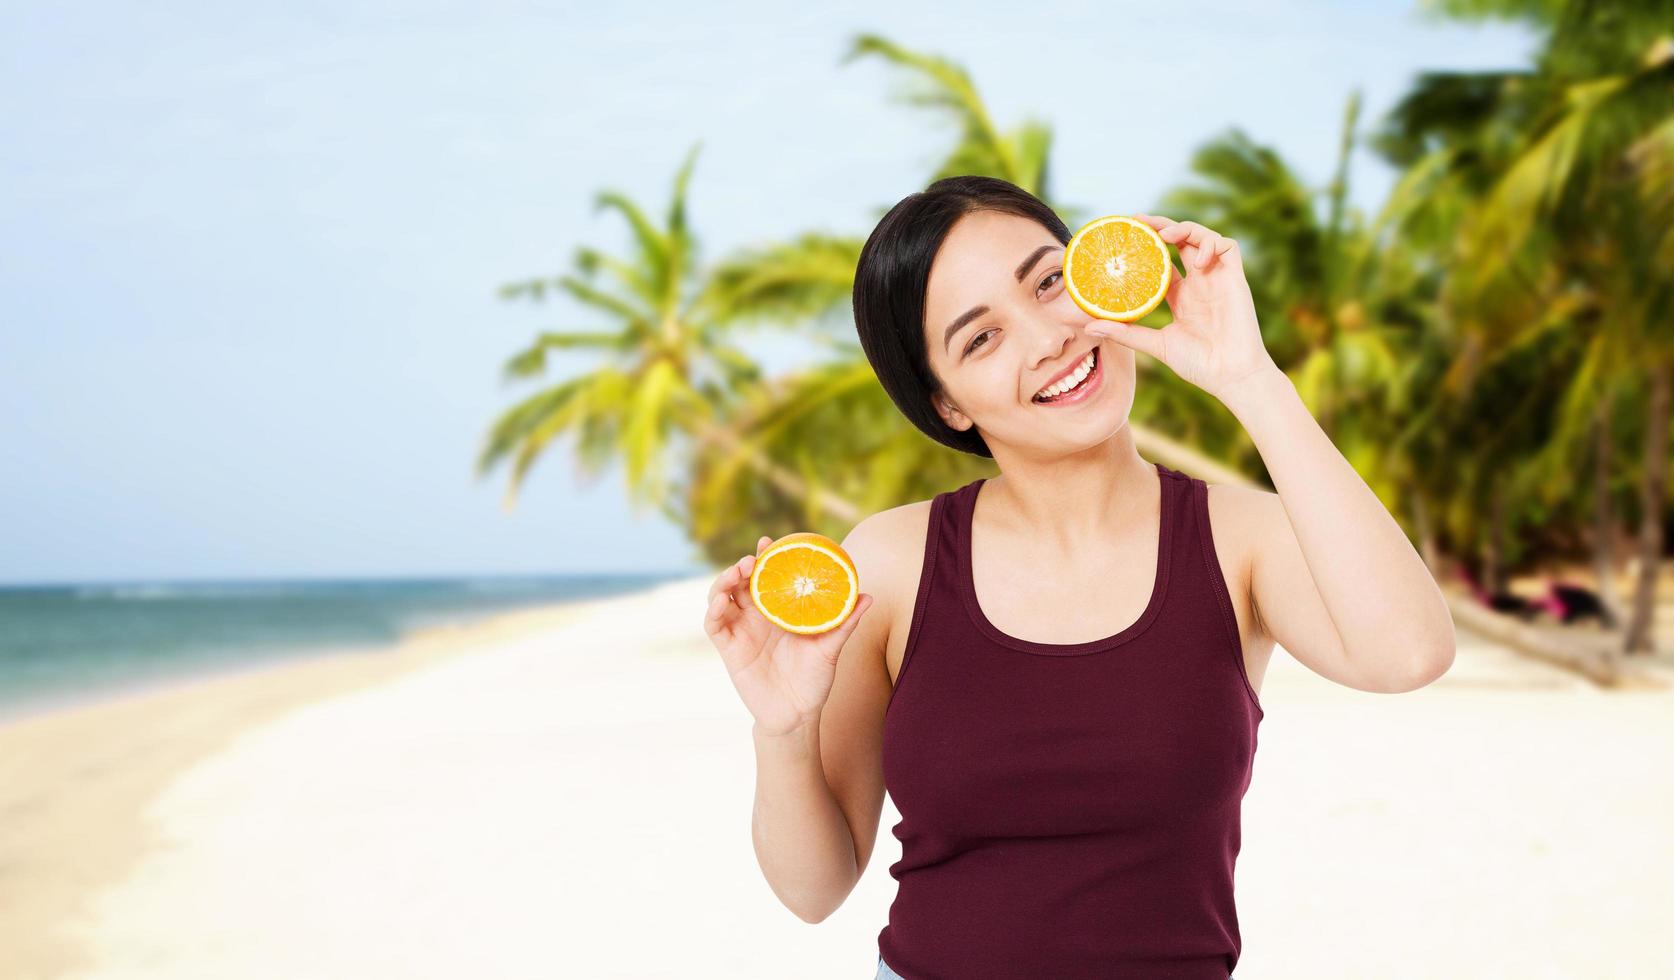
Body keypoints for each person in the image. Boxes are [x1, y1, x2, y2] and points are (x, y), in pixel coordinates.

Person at [703, 175, 1455, 979]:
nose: (1048, 338)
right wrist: (782, 734)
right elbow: (813, 889)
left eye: (1049, 282)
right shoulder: (891, 563)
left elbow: (1408, 655)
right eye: (980, 339)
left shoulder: (1239, 540)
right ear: (946, 403)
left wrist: (1248, 377)